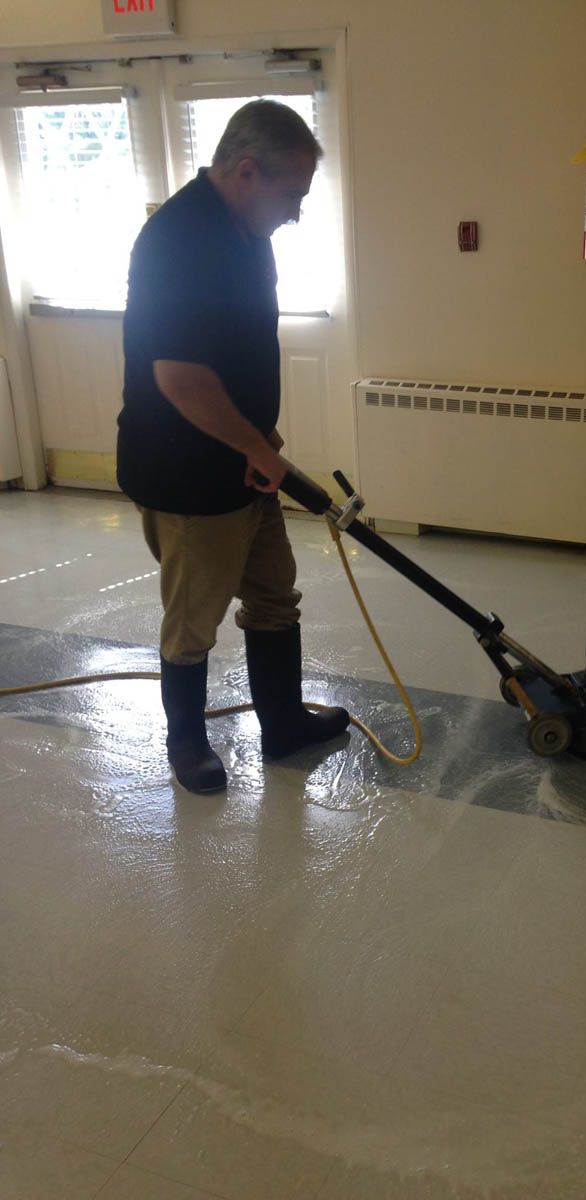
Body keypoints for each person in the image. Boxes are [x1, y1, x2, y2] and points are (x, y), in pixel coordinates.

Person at [117, 100, 349, 794]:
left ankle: (282, 724)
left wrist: (261, 441)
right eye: (293, 195)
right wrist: (257, 446)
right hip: (186, 473)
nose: (296, 213)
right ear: (247, 172)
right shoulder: (177, 241)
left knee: (274, 594)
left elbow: (238, 348)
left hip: (244, 461)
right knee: (194, 620)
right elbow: (181, 377)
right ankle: (186, 744)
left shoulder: (247, 234)